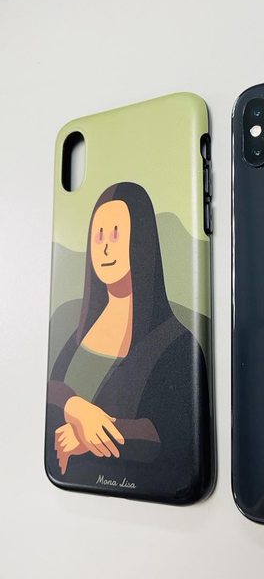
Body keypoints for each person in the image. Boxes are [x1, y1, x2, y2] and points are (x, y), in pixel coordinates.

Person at [46, 182, 210, 502]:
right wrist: (76, 408)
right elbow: (53, 389)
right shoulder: (77, 334)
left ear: (141, 239)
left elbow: (172, 436)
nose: (105, 248)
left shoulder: (177, 345)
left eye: (116, 234)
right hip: (73, 503)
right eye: (99, 236)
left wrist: (87, 436)